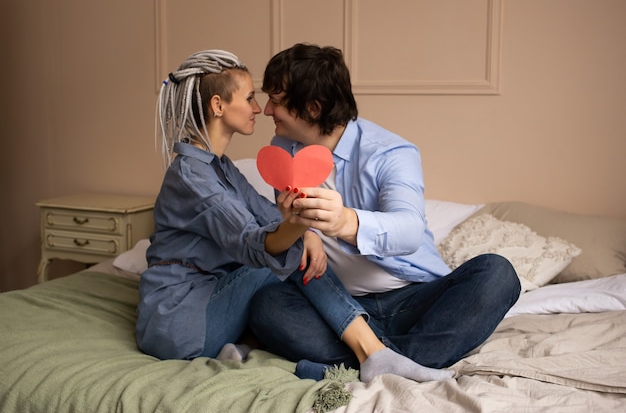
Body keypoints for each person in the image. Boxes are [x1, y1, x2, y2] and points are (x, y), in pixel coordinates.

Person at [135, 49, 451, 383]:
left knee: (288, 263)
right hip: (179, 318)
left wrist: (308, 232)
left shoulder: (221, 168)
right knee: (285, 262)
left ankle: (276, 350)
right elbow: (251, 243)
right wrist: (301, 232)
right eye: (251, 98)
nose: (260, 108)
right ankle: (374, 354)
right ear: (218, 106)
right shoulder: (191, 176)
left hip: (209, 302)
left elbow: (265, 214)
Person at [248, 43, 522, 380]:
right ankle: (397, 362)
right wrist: (305, 232)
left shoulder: (391, 153)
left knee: (498, 274)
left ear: (313, 108)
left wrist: (345, 221)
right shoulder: (283, 152)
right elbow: (291, 228)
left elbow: (408, 230)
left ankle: (362, 363)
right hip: (339, 311)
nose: (266, 111)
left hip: (414, 299)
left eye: (276, 101)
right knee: (266, 305)